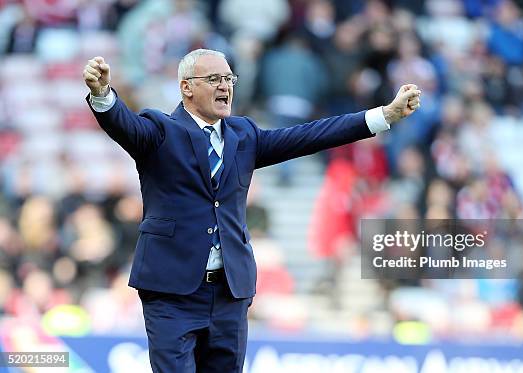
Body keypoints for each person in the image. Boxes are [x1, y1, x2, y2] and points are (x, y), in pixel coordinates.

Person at [82, 49, 420, 372]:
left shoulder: (244, 134)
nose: (225, 86)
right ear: (186, 87)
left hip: (229, 292)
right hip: (172, 293)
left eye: (229, 79)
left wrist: (384, 115)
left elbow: (311, 135)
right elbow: (123, 125)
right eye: (214, 78)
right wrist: (102, 95)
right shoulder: (160, 131)